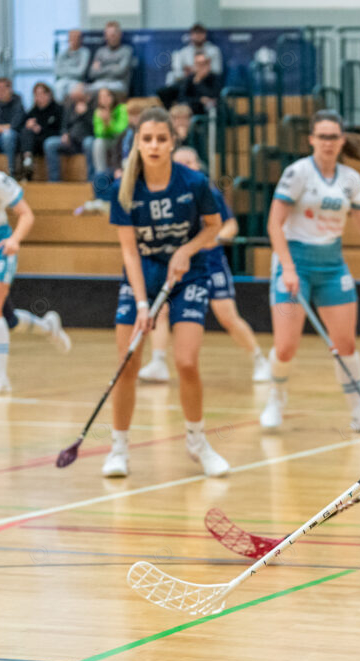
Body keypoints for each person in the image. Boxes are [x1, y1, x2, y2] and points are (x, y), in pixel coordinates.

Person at [103, 107, 228, 478]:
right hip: (143, 275)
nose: (154, 146)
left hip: (188, 274)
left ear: (173, 142)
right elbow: (129, 251)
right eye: (147, 139)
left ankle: (197, 442)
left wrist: (186, 251)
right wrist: (142, 303)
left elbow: (213, 228)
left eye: (161, 139)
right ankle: (119, 449)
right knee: (127, 364)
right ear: (137, 143)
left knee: (187, 362)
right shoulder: (123, 189)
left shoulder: (194, 182)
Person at [260, 110, 360, 433]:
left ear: (341, 141)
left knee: (345, 344)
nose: (327, 143)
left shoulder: (351, 179)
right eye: (321, 136)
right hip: (294, 264)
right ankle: (276, 398)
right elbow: (274, 224)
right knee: (285, 346)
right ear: (311, 139)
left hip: (332, 265)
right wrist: (288, 268)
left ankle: (359, 412)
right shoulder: (296, 174)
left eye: (333, 137)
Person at [139, 147, 269, 385]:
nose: (188, 166)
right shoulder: (162, 193)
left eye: (192, 161)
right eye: (182, 162)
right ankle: (158, 362)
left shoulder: (207, 191)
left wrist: (214, 239)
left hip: (210, 262)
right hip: (177, 263)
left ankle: (260, 360)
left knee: (226, 315)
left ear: (198, 165)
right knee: (161, 309)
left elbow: (230, 225)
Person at [0, 166, 36, 394]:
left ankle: (0, 377)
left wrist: (15, 239)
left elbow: (26, 214)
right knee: (8, 319)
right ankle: (47, 326)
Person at [159, 23, 223, 108]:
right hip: (187, 80)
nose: (198, 36)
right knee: (166, 92)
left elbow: (217, 70)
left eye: (201, 33)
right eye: (195, 33)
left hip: (207, 80)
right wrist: (191, 74)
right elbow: (177, 70)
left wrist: (199, 73)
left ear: (205, 35)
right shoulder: (184, 51)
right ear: (191, 35)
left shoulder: (213, 50)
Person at [45, 83, 94, 183]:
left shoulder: (93, 105)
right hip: (71, 140)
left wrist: (86, 113)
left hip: (87, 138)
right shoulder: (70, 105)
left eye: (77, 94)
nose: (74, 96)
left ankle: (91, 180)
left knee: (89, 143)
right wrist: (65, 134)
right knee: (50, 144)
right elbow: (64, 124)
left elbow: (95, 127)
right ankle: (54, 181)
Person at [15, 83, 62, 181]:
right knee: (25, 132)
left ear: (49, 94)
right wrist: (28, 125)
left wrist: (40, 129)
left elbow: (60, 131)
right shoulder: (33, 111)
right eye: (36, 95)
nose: (39, 97)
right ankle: (27, 163)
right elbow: (20, 127)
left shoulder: (58, 109)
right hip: (34, 144)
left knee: (49, 143)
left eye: (41, 94)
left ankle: (54, 180)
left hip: (50, 140)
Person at [87, 21, 134, 97]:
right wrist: (113, 66)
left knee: (104, 92)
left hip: (118, 84)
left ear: (120, 35)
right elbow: (92, 73)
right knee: (79, 91)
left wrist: (101, 69)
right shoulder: (100, 52)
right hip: (99, 83)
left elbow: (120, 72)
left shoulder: (126, 51)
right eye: (110, 35)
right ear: (105, 36)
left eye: (114, 34)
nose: (112, 37)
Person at [90, 88, 127, 173]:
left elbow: (122, 130)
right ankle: (100, 174)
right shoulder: (98, 112)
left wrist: (109, 122)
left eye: (107, 95)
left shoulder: (122, 108)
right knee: (98, 142)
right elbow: (98, 133)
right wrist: (105, 124)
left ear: (113, 97)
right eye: (101, 97)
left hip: (120, 139)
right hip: (107, 140)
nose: (104, 99)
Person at [176, 53, 220, 117]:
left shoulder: (215, 78)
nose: (201, 67)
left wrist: (199, 82)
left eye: (203, 64)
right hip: (194, 110)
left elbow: (213, 96)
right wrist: (199, 100)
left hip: (211, 112)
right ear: (194, 65)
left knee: (211, 105)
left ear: (208, 65)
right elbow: (182, 98)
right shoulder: (189, 79)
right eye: (198, 64)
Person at [54, 29, 91, 100]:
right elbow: (58, 71)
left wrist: (65, 68)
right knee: (57, 87)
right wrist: (73, 69)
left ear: (81, 39)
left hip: (77, 81)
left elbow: (80, 72)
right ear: (68, 39)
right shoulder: (62, 54)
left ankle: (70, 110)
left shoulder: (85, 53)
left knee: (74, 90)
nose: (74, 40)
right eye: (72, 37)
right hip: (63, 80)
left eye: (77, 38)